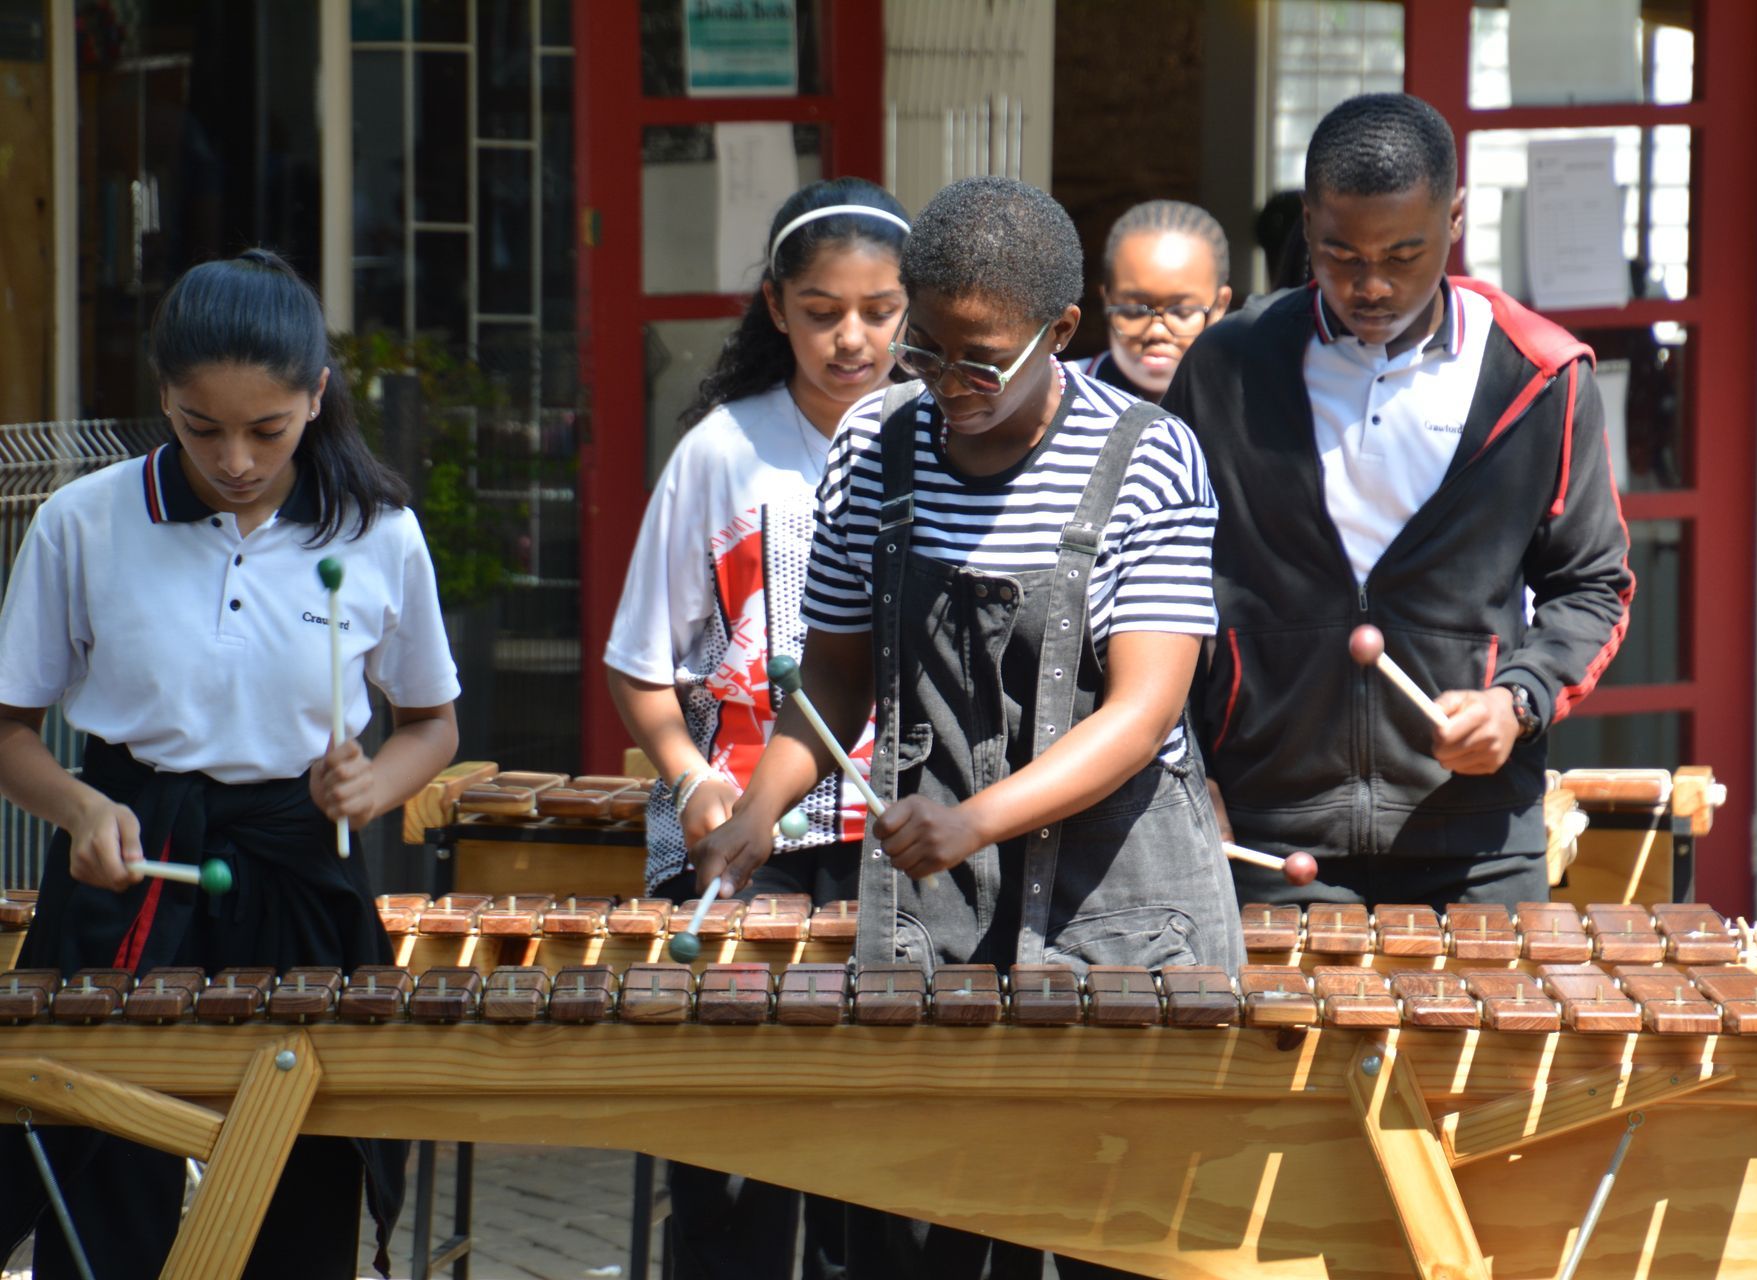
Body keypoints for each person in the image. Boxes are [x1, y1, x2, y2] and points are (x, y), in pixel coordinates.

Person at [693, 175, 1244, 1280]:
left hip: (1124, 904)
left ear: (1063, 331)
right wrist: (756, 814)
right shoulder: (874, 446)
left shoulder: (1150, 457)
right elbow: (838, 676)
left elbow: (1142, 713)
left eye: (979, 358)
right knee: (921, 1230)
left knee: (1120, 1238)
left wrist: (973, 820)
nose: (947, 383)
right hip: (936, 912)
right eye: (925, 348)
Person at [0, 249, 461, 1278]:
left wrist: (379, 782)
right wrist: (79, 807)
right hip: (132, 867)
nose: (237, 458)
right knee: (106, 1173)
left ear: (317, 396)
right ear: (165, 395)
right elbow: (8, 726)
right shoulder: (85, 520)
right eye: (202, 426)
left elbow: (432, 720)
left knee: (295, 1178)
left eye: (269, 428)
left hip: (297, 865)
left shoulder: (376, 530)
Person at [1164, 93, 1633, 911]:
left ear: (1454, 219)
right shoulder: (1226, 369)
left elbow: (1593, 584)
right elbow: (1156, 583)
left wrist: (1516, 700)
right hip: (1269, 831)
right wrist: (1183, 770)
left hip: (1475, 835)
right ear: (1307, 223)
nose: (1369, 284)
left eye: (1403, 255)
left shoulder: (1538, 376)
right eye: (1339, 253)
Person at [604, 177, 909, 1280]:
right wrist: (690, 779)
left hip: (901, 850)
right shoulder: (721, 453)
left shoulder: (942, 445)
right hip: (746, 847)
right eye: (824, 310)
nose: (853, 337)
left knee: (876, 1174)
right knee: (733, 1170)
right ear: (776, 306)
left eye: (880, 311)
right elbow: (640, 667)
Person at [1075, 199, 1232, 402]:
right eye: (1134, 311)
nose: (1157, 333)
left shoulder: (1248, 402)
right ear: (1107, 300)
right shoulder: (1063, 394)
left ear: (1220, 306)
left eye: (1182, 312)